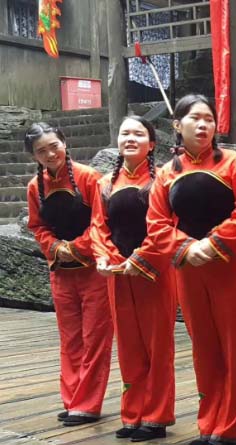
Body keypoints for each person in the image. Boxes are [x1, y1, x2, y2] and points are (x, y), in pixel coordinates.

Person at [143, 94, 236, 445]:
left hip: (231, 266)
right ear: (177, 125)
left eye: (209, 118)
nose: (203, 124)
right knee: (203, 347)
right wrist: (185, 247)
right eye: (195, 118)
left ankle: (233, 428)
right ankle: (209, 424)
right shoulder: (166, 173)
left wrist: (213, 243)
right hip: (189, 268)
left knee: (234, 348)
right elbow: (156, 222)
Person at [89, 116, 177, 442]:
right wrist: (106, 257)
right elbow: (99, 226)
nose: (130, 138)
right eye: (125, 132)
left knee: (158, 347)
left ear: (151, 144)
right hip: (118, 274)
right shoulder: (105, 184)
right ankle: (132, 413)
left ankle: (156, 416)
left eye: (138, 134)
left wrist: (139, 259)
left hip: (154, 273)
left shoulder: (163, 181)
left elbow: (165, 227)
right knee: (128, 347)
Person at [24, 122, 112, 427]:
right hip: (60, 273)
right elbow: (36, 226)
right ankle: (74, 399)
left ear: (64, 142)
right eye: (41, 151)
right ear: (34, 156)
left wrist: (74, 248)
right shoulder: (35, 187)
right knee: (70, 339)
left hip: (93, 272)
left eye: (53, 146)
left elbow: (101, 223)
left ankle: (88, 403)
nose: (50, 153)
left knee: (95, 338)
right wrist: (54, 247)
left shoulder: (90, 177)